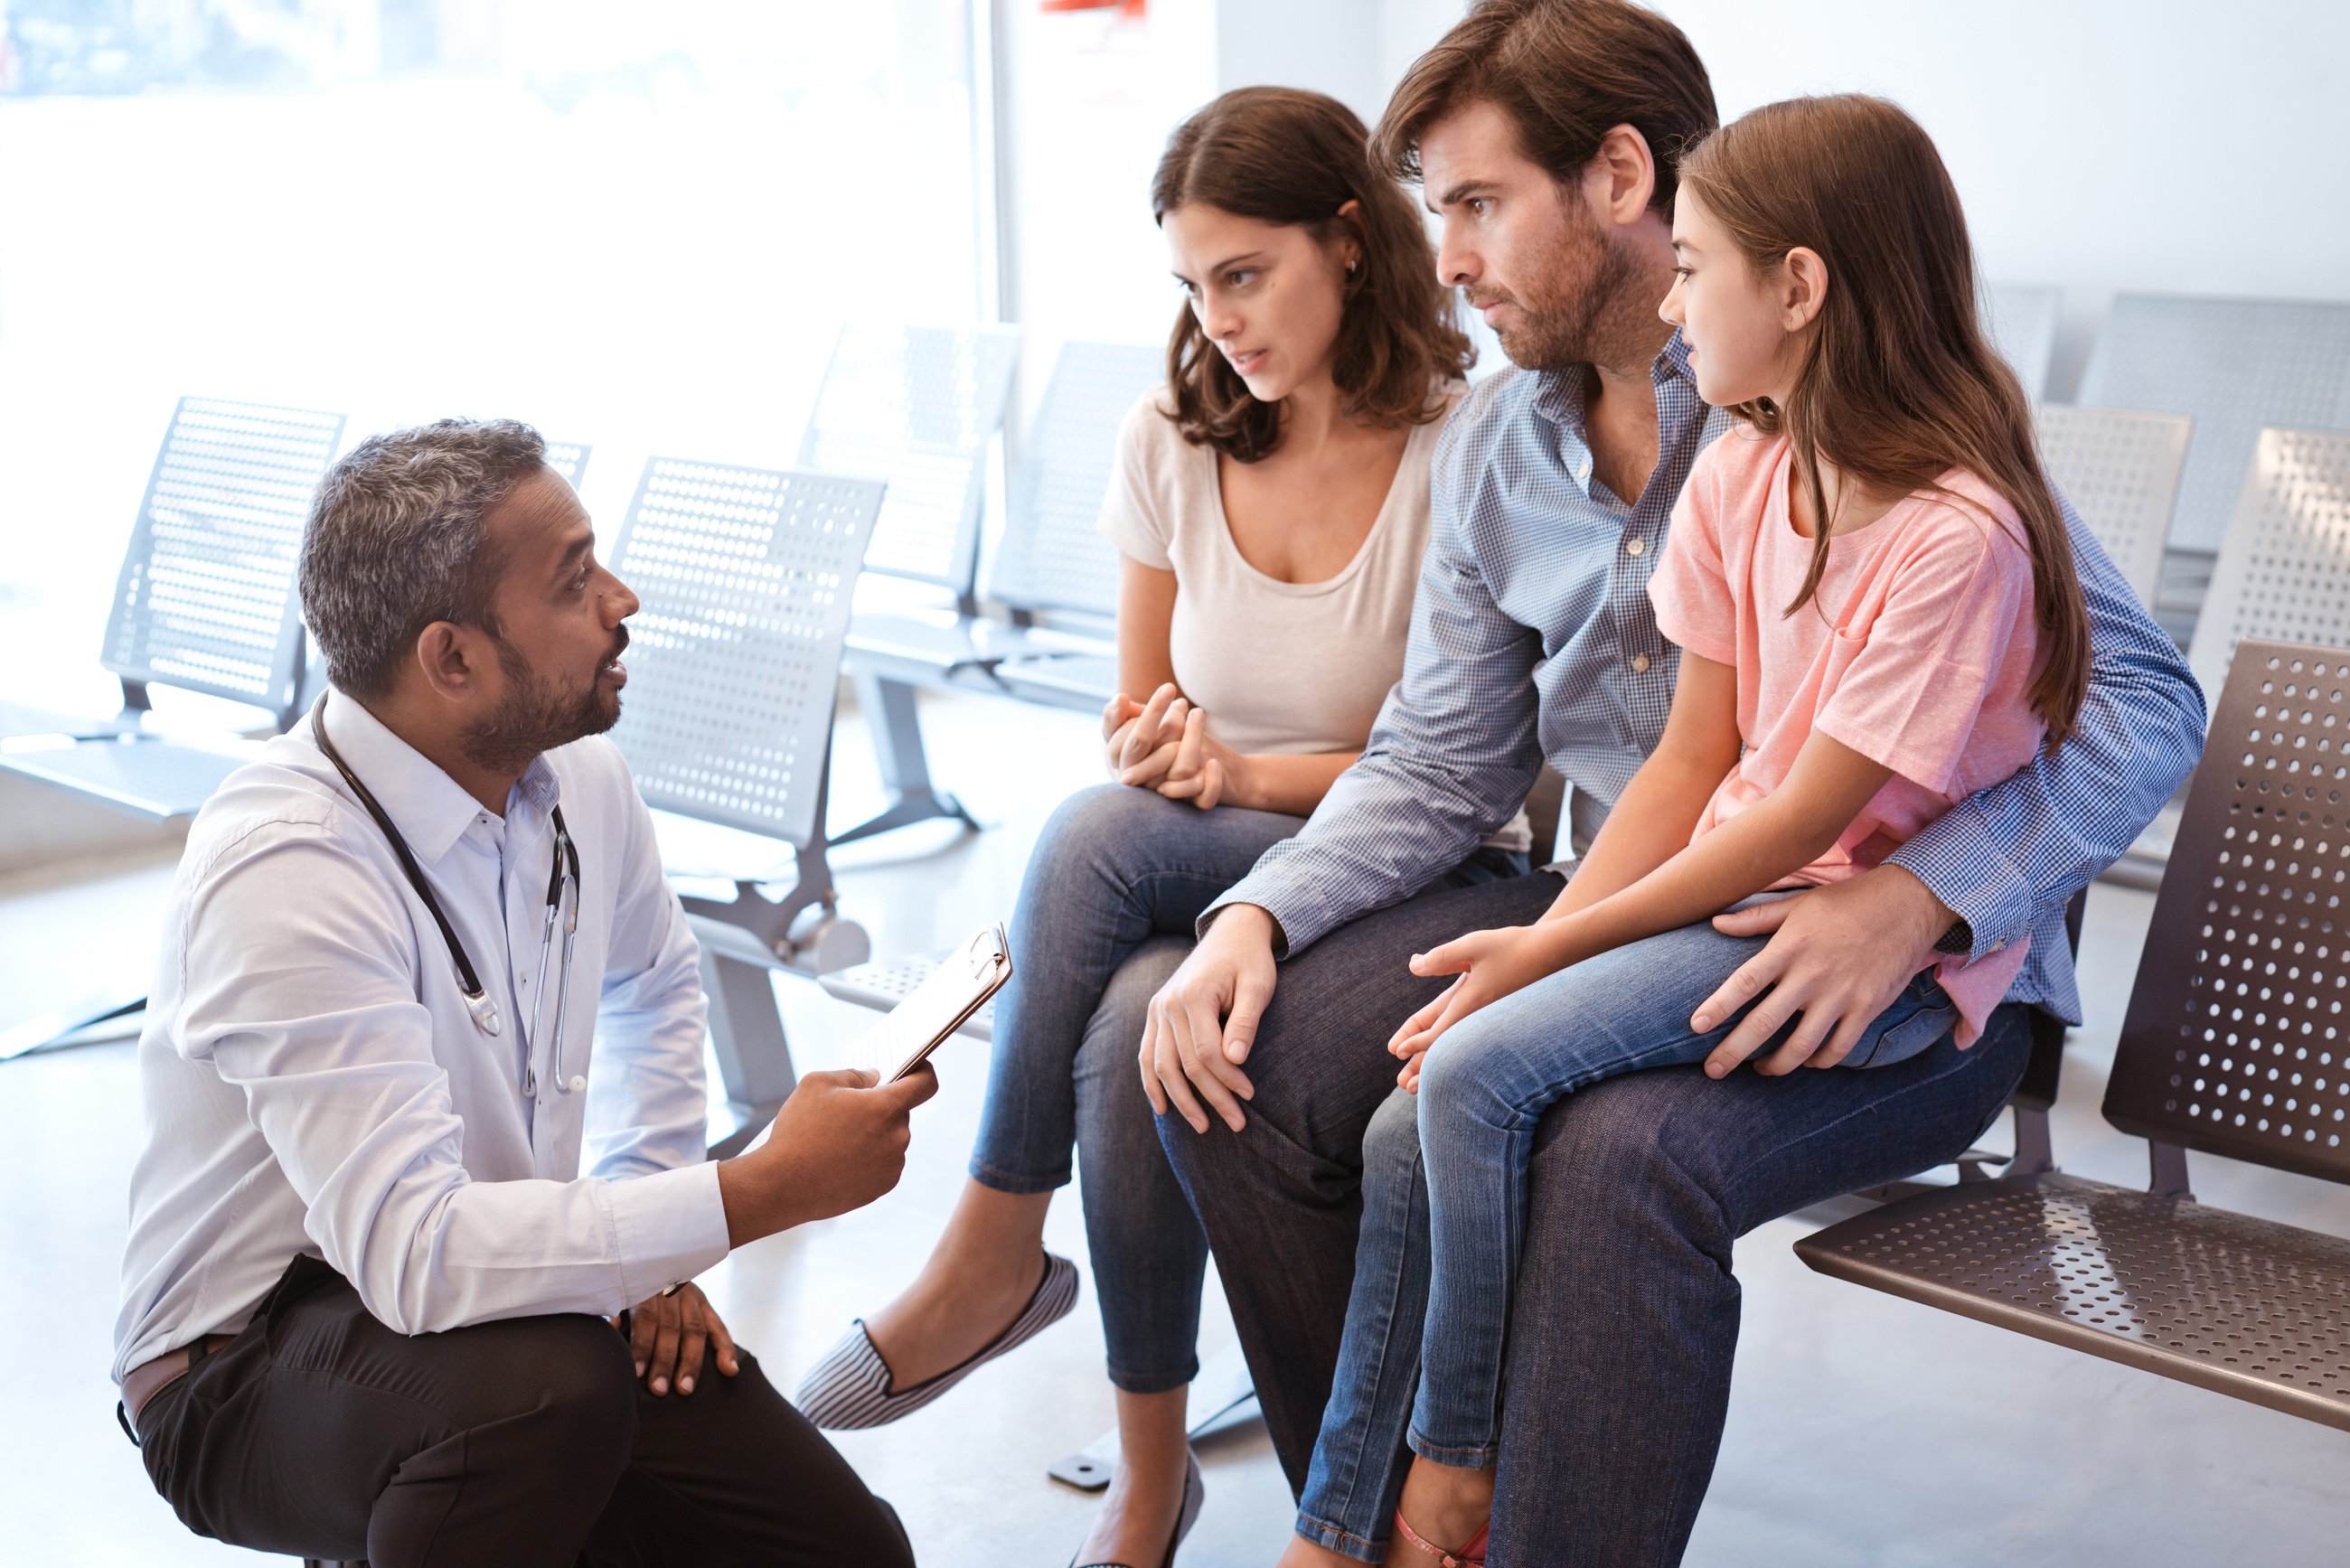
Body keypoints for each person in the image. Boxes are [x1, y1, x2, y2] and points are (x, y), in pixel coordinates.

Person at [1131, 3, 2206, 1564]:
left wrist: (1921, 895)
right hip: (1646, 904)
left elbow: (2147, 699)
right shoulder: (1507, 442)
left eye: (1476, 204)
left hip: (1902, 964)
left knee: (1607, 1160)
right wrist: (1259, 915)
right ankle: (1385, 1537)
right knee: (1252, 1068)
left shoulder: (1867, 423)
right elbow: (1443, 758)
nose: (1446, 260)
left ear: (1621, 178)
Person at [791, 87, 1499, 1568]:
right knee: (1123, 1005)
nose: (1219, 316)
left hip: (1415, 860)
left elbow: (1461, 774)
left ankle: (992, 1250)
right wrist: (1172, 744)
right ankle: (1148, 1475)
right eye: (1193, 283)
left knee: (1103, 864)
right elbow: (1139, 711)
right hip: (1222, 848)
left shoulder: (1467, 446)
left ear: (1352, 243)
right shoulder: (1171, 436)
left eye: (1246, 273)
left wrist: (1234, 776)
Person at [113, 419, 936, 1568]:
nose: (622, 597)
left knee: (845, 1551)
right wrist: (756, 1190)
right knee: (546, 1402)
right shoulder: (288, 862)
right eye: (573, 581)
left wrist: (652, 1240)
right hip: (245, 1362)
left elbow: (654, 979)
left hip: (519, 1300)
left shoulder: (576, 772)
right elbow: (413, 1251)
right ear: (451, 660)